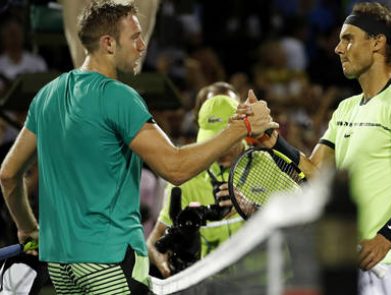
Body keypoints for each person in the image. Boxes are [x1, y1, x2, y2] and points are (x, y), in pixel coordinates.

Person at [0, 1, 277, 294]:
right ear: (108, 43)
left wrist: (27, 227)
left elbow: (8, 176)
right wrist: (241, 129)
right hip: (109, 261)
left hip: (60, 266)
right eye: (134, 37)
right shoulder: (119, 97)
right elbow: (175, 167)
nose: (143, 46)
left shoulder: (48, 95)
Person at [254, 2, 391, 294]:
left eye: (348, 38)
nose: (338, 49)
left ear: (377, 42)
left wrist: (384, 239)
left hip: (388, 261)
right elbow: (316, 173)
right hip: (347, 256)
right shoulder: (345, 109)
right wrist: (275, 143)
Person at [147, 82, 246, 278]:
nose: (221, 147)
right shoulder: (185, 178)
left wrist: (252, 209)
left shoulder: (269, 164)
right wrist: (165, 263)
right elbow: (154, 243)